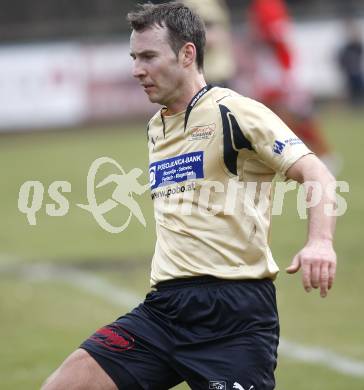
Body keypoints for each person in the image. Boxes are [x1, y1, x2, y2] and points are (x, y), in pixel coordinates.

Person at [42, 3, 337, 390]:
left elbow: (316, 172)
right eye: (133, 57)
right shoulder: (155, 127)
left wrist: (320, 241)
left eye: (148, 56)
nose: (136, 69)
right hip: (164, 312)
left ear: (187, 54)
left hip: (233, 316)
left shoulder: (236, 112)